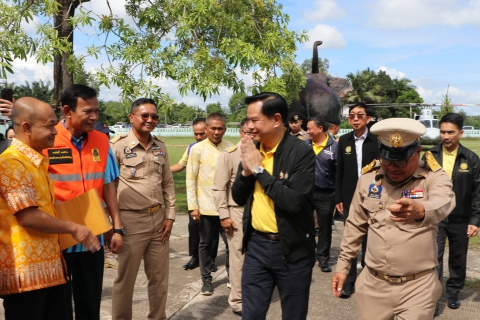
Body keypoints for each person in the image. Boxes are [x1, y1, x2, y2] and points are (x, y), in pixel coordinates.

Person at [331, 118, 456, 320]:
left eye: (401, 161)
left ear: (417, 152)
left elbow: (445, 201)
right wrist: (343, 266)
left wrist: (421, 210)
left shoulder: (432, 176)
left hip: (418, 287)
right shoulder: (368, 178)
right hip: (373, 286)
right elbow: (354, 226)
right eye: (387, 160)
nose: (393, 167)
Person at [0, 97, 99, 320]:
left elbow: (48, 207)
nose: (55, 131)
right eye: (49, 125)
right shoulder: (12, 163)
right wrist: (75, 228)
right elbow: (29, 217)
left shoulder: (36, 162)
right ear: (26, 127)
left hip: (51, 270)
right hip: (26, 276)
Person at [231, 92, 316, 320]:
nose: (249, 126)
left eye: (254, 120)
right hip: (257, 247)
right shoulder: (253, 149)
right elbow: (238, 197)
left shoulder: (301, 152)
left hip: (292, 249)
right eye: (248, 120)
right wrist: (247, 171)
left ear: (276, 119)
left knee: (293, 315)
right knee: (251, 315)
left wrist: (259, 171)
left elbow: (293, 202)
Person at [43, 84, 124, 320]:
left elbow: (108, 186)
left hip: (93, 237)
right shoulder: (49, 140)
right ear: (67, 110)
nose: (94, 117)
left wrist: (116, 229)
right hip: (58, 238)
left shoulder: (101, 141)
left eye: (96, 111)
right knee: (58, 307)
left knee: (90, 302)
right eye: (88, 111)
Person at [111, 98, 176, 320]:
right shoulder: (118, 146)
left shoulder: (160, 147)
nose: (150, 120)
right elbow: (107, 187)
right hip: (130, 222)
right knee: (125, 281)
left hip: (159, 222)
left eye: (154, 116)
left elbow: (168, 183)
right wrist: (114, 227)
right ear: (132, 118)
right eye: (145, 115)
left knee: (159, 279)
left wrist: (170, 216)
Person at [425, 113, 480, 312]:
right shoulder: (430, 155)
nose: (445, 136)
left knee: (458, 257)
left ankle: (454, 292)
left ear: (460, 133)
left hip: (461, 218)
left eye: (450, 132)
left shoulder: (471, 158)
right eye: (442, 132)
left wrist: (475, 220)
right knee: (433, 256)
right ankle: (432, 294)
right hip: (436, 216)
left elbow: (477, 192)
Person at [334, 102, 379, 298]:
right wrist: (339, 197)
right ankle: (348, 282)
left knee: (371, 242)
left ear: (368, 118)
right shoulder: (343, 141)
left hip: (374, 197)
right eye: (351, 115)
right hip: (350, 198)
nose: (355, 119)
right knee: (350, 241)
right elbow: (339, 172)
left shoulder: (377, 140)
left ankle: (369, 282)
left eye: (359, 115)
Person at [186, 113, 232, 295]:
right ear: (206, 129)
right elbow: (190, 179)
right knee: (205, 244)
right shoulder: (197, 149)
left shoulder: (230, 148)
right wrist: (193, 206)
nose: (216, 132)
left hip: (226, 207)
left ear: (225, 130)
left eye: (220, 128)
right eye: (213, 128)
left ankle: (233, 276)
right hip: (205, 206)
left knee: (231, 244)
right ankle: (206, 278)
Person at [170, 118, 219, 271]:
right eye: (195, 134)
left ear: (207, 130)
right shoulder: (192, 148)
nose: (198, 137)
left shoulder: (219, 148)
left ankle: (210, 259)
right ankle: (195, 257)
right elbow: (181, 165)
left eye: (201, 133)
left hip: (214, 197)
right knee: (194, 227)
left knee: (213, 231)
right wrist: (162, 170)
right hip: (197, 197)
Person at [212, 118, 249, 316]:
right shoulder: (230, 155)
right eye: (247, 132)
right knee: (239, 259)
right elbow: (219, 188)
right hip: (237, 211)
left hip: (259, 212)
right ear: (240, 133)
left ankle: (253, 294)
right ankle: (237, 300)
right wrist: (224, 215)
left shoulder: (265, 153)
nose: (250, 136)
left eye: (254, 132)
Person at [305, 116, 338, 273]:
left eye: (310, 128)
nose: (307, 131)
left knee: (324, 228)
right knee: (305, 225)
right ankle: (307, 255)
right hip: (306, 193)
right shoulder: (305, 146)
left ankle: (323, 258)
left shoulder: (334, 147)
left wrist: (339, 196)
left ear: (320, 129)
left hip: (327, 194)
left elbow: (339, 173)